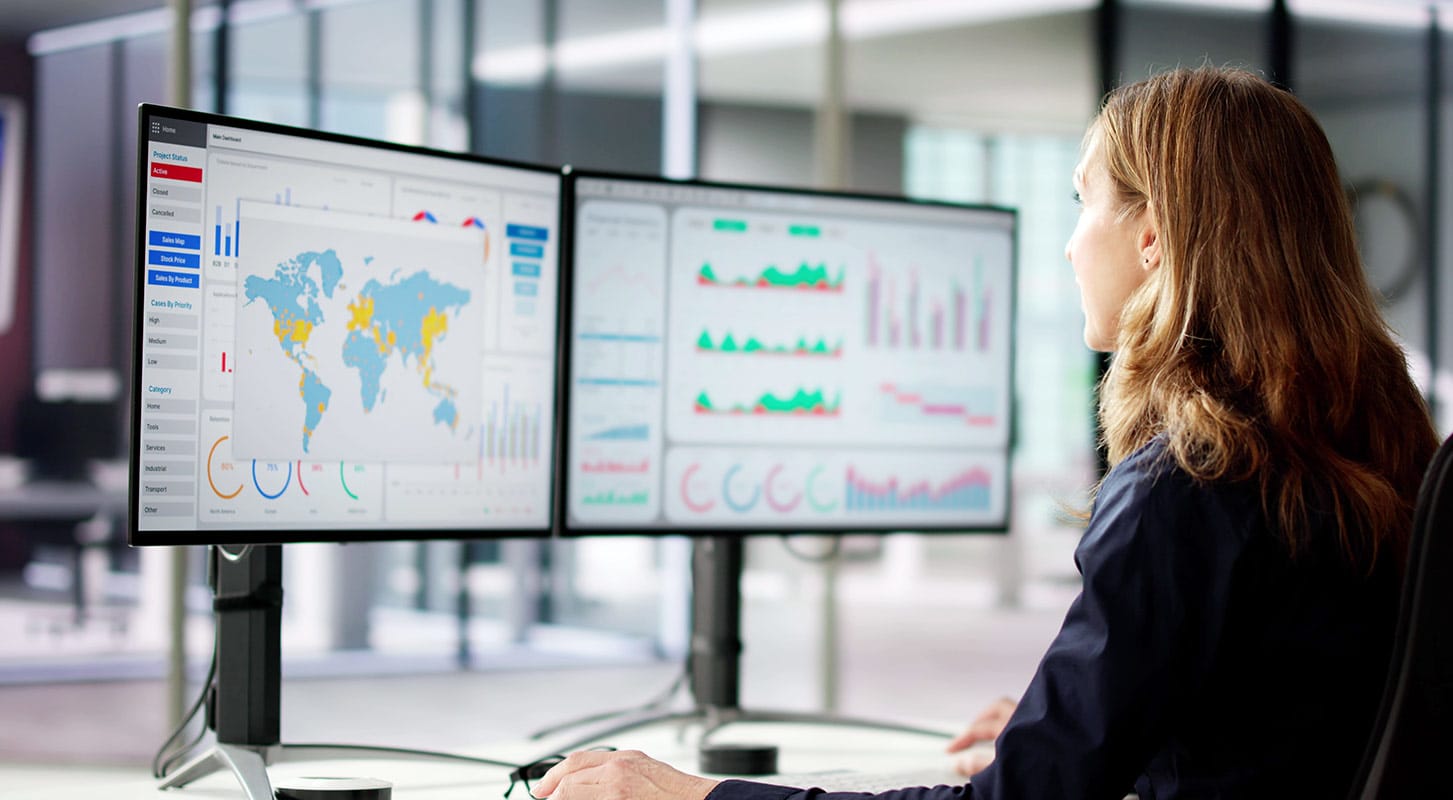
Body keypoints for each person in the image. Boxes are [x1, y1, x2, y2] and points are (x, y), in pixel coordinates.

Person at [530, 66, 1440, 800]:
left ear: (1154, 237)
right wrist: (1076, 729)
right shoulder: (1377, 453)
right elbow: (1290, 720)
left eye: (1084, 203)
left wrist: (697, 799)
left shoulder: (1187, 481)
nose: (1070, 244)